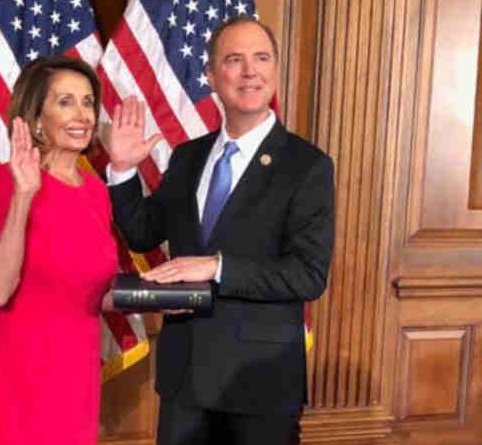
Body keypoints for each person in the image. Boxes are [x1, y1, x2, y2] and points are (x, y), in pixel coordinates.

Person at [106, 17, 335, 445]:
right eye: (234, 60)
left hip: (259, 384)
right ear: (211, 76)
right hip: (184, 382)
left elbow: (308, 275)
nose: (251, 71)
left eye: (261, 58)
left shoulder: (308, 166)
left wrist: (216, 267)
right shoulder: (188, 157)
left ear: (276, 70)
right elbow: (142, 233)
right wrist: (121, 170)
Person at [0, 56, 119, 445]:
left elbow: (95, 290)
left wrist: (162, 295)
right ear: (36, 117)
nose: (82, 114)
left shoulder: (96, 193)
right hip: (23, 372)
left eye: (88, 102)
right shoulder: (8, 182)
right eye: (65, 101)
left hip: (79, 372)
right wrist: (24, 196)